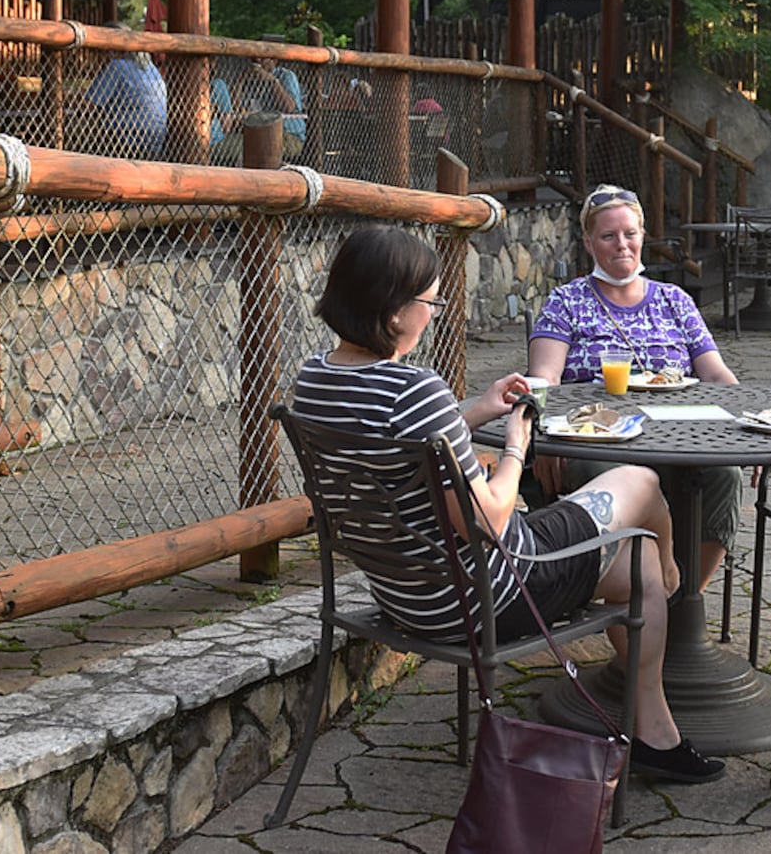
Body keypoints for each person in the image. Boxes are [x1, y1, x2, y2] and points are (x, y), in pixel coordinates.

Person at [292, 224, 724, 784]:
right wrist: (517, 445)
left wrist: (474, 411)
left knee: (635, 562)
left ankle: (654, 731)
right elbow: (490, 517)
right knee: (639, 482)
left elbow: (408, 443)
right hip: (487, 594)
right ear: (395, 312)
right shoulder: (414, 389)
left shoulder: (315, 379)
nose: (434, 313)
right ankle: (675, 585)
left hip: (406, 596)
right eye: (430, 301)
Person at [527, 185, 743, 594]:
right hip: (595, 443)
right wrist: (544, 438)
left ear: (643, 235)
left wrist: (752, 429)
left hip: (679, 438)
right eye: (608, 236)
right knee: (618, 478)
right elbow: (543, 380)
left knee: (724, 474)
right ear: (589, 242)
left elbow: (716, 374)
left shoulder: (674, 300)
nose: (621, 244)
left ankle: (679, 602)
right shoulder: (566, 302)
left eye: (630, 233)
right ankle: (634, 605)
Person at [87, 23, 168, 159]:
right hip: (157, 139)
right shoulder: (151, 69)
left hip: (125, 137)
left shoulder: (117, 67)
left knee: (83, 139)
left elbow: (90, 106)